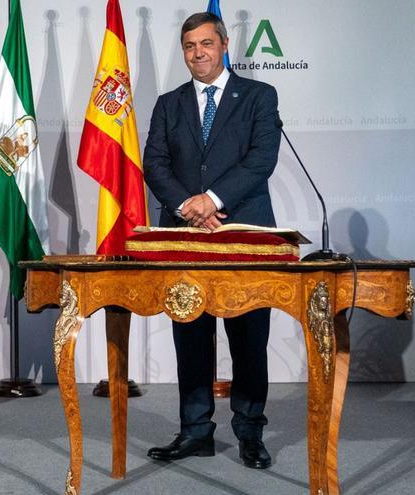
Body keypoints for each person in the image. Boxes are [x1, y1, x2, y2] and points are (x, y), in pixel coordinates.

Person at [143, 13, 282, 469]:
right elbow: (155, 164)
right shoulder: (168, 103)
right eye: (188, 45)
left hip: (242, 233)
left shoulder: (259, 96)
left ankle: (249, 431)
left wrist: (213, 199)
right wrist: (189, 204)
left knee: (248, 338)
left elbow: (262, 158)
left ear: (223, 45)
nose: (197, 52)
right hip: (185, 235)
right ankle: (196, 430)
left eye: (205, 43)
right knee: (191, 333)